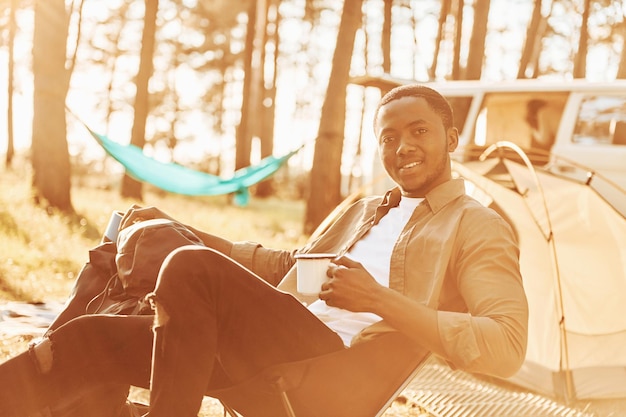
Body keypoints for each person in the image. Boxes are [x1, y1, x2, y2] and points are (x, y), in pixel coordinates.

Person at [0, 84, 528, 417]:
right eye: (389, 137)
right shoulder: (365, 209)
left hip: (323, 361)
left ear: (452, 139)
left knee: (187, 266)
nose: (403, 147)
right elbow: (291, 268)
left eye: (419, 132)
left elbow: (506, 346)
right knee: (95, 318)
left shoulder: (476, 225)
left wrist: (378, 299)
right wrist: (194, 234)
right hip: (269, 330)